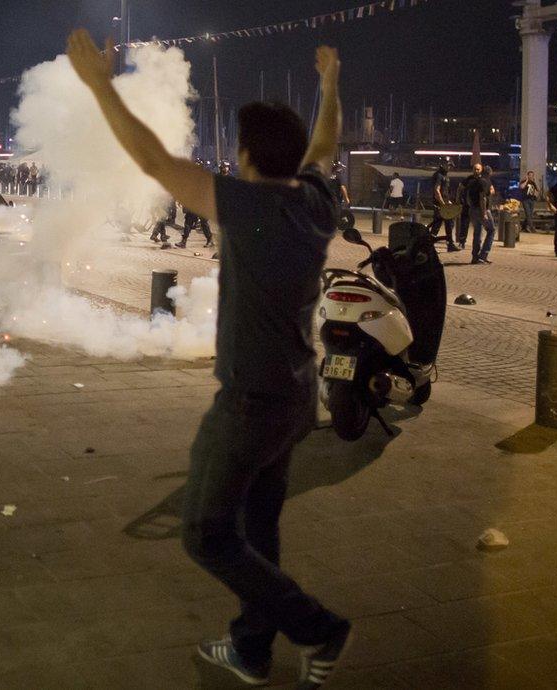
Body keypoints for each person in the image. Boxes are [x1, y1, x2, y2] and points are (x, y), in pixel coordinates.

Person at [68, 30, 351, 689]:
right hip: (295, 396)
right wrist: (331, 85)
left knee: (205, 534)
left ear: (247, 157)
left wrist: (99, 84)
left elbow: (152, 161)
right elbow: (326, 145)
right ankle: (254, 649)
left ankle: (317, 627)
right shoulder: (315, 200)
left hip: (251, 402)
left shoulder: (249, 206)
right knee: (260, 526)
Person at [427, 164, 460, 251]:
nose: (449, 167)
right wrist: (443, 204)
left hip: (444, 204)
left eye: (450, 166)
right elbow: (437, 190)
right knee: (437, 225)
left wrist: (448, 201)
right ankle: (429, 246)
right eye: (448, 165)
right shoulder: (439, 175)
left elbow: (444, 191)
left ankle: (450, 244)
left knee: (449, 224)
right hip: (440, 205)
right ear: (443, 165)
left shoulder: (444, 175)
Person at [469, 165, 494, 264]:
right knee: (491, 230)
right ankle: (483, 255)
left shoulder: (474, 181)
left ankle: (475, 257)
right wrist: (484, 212)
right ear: (490, 173)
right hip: (482, 209)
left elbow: (468, 195)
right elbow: (482, 197)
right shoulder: (485, 182)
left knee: (477, 232)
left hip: (473, 209)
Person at [456, 163, 482, 249]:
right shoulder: (468, 179)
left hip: (478, 206)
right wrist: (458, 199)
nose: (476, 171)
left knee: (478, 226)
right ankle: (462, 241)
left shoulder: (482, 180)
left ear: (481, 170)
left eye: (478, 169)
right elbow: (460, 188)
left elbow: (490, 190)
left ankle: (478, 244)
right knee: (464, 224)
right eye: (475, 169)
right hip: (467, 205)